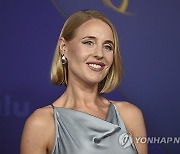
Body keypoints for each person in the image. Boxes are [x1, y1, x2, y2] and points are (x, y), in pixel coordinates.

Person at [20, 10, 148, 154]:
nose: (99, 54)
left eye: (107, 46)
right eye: (89, 42)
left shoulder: (130, 115)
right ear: (64, 47)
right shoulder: (41, 124)